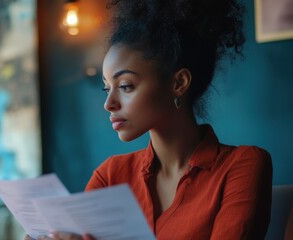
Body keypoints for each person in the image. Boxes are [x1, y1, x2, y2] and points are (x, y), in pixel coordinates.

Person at [27, 0, 273, 239]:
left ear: (179, 83)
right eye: (106, 88)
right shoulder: (110, 175)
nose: (108, 103)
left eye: (125, 86)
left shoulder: (242, 166)